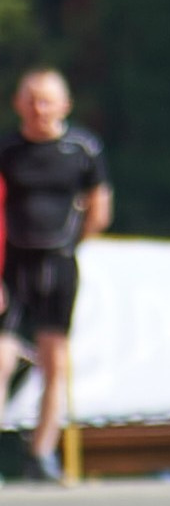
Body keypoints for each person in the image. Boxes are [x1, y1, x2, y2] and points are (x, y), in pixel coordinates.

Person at [0, 70, 111, 484]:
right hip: (11, 266)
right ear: (17, 104)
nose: (38, 109)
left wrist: (73, 243)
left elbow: (100, 208)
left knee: (54, 362)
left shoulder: (82, 149)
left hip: (58, 263)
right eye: (31, 100)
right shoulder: (7, 150)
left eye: (46, 101)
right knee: (2, 359)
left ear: (64, 105)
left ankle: (42, 452)